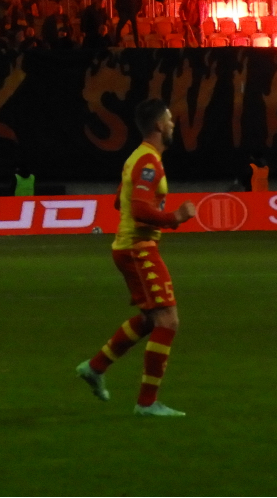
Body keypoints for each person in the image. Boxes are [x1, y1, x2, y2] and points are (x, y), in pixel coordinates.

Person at [76, 97, 197, 417]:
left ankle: (95, 366)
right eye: (169, 120)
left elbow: (120, 201)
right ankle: (146, 403)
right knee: (168, 321)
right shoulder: (149, 163)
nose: (172, 124)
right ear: (158, 125)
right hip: (138, 249)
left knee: (150, 319)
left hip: (131, 245)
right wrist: (175, 217)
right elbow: (138, 207)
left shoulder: (138, 158)